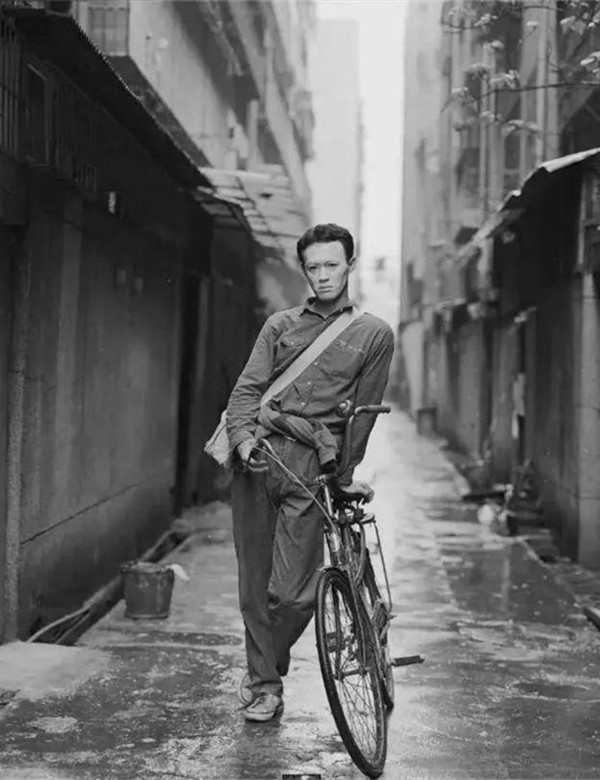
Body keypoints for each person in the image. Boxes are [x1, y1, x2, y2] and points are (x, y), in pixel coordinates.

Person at [226, 223, 394, 722]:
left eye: (332, 265)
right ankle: (266, 687)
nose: (322, 276)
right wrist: (243, 441)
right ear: (303, 270)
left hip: (310, 470)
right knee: (254, 588)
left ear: (350, 265)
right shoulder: (279, 326)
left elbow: (361, 416)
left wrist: (343, 475)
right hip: (258, 461)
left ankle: (266, 664)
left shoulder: (373, 334)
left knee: (294, 596)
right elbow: (246, 392)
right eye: (313, 267)